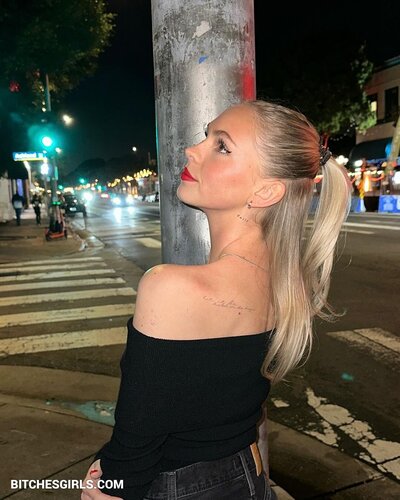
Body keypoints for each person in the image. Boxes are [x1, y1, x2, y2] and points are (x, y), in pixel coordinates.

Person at [81, 100, 351, 500]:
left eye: (221, 146)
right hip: (246, 475)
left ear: (266, 190)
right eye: (206, 137)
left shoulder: (170, 287)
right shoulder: (287, 284)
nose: (192, 150)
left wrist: (109, 482)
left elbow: (138, 436)